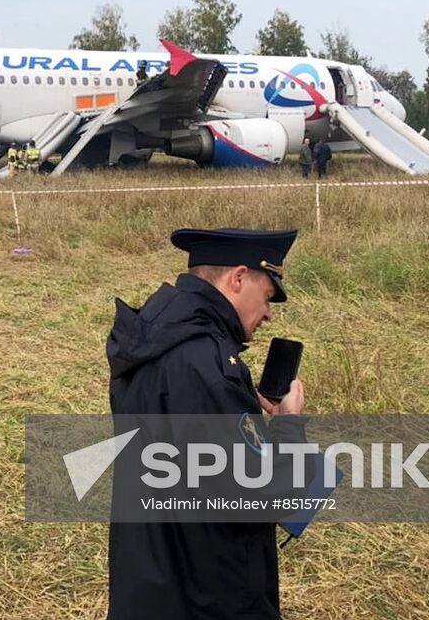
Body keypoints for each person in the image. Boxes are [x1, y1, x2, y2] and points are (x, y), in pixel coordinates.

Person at [107, 228, 306, 620]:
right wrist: (288, 427)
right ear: (238, 278)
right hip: (208, 592)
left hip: (150, 577)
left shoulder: (152, 336)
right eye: (267, 297)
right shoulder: (210, 368)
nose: (268, 313)